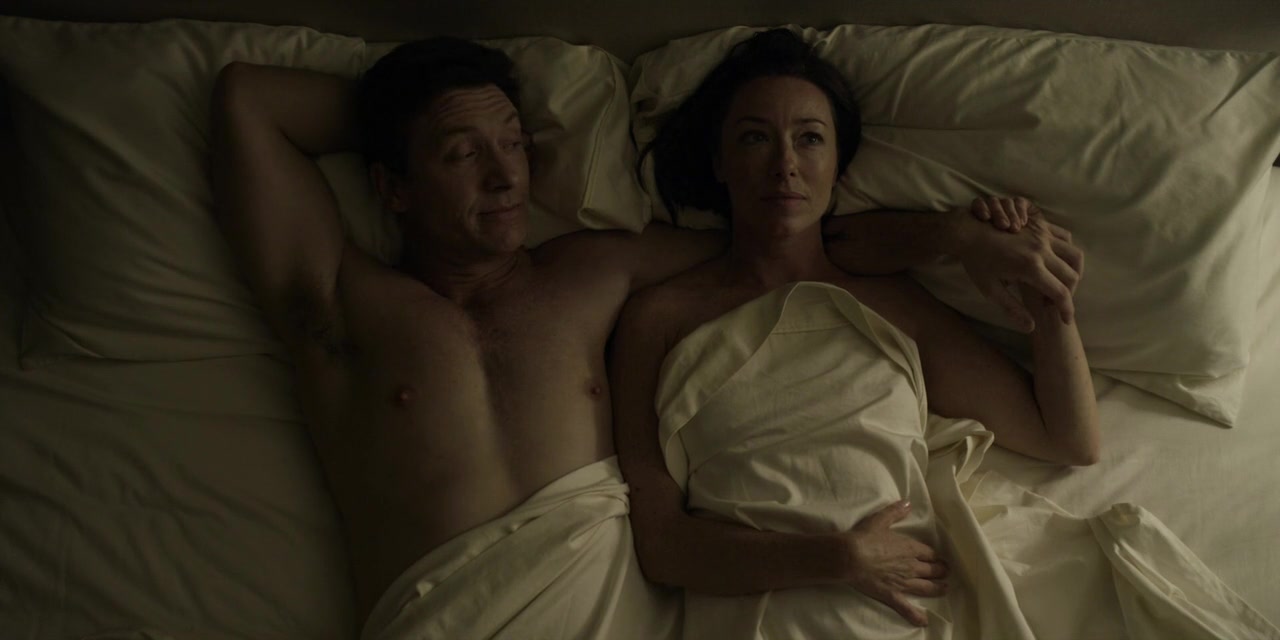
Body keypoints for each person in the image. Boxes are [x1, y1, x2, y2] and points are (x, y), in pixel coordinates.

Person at [209, 35, 1084, 637]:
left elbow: (788, 244)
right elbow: (249, 101)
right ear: (391, 186)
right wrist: (410, 112)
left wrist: (956, 238)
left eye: (513, 143)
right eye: (462, 155)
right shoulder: (343, 301)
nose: (506, 175)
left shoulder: (594, 274)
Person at [610, 28, 1100, 635]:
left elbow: (1069, 439)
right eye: (755, 137)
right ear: (719, 162)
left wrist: (1042, 286)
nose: (785, 164)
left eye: (810, 139)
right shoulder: (658, 319)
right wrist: (838, 558)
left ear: (838, 165)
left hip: (895, 617)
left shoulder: (892, 304)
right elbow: (662, 545)